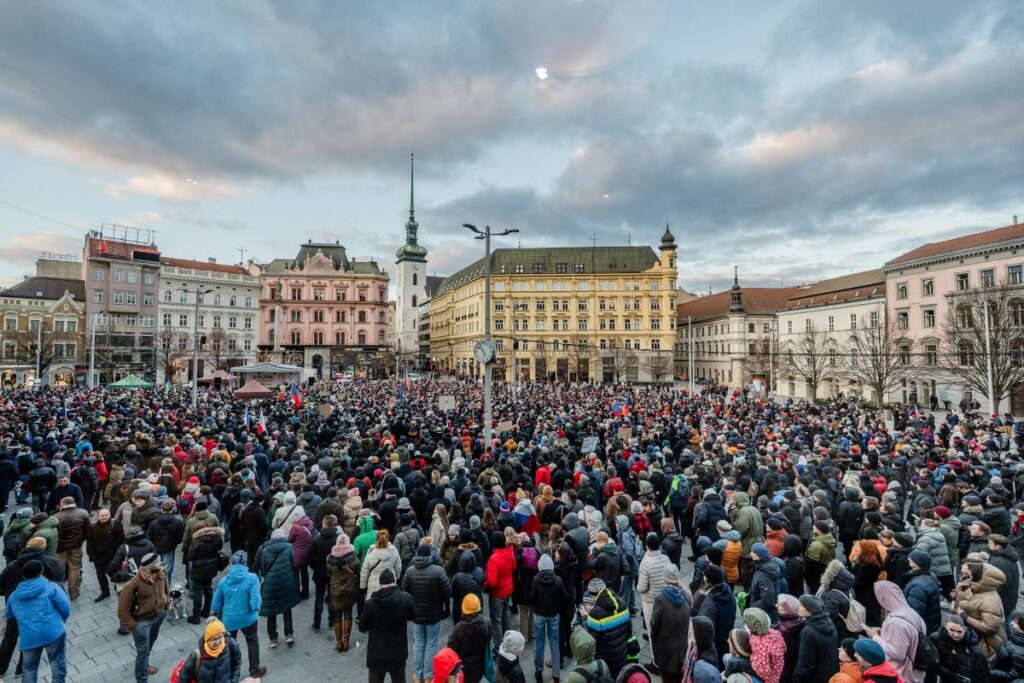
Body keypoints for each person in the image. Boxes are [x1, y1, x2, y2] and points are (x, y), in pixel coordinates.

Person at [0, 536, 64, 679]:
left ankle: (1, 667)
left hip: (16, 609)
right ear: (43, 548)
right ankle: (21, 669)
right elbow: (59, 579)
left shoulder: (13, 565)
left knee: (10, 637)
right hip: (38, 610)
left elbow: (1, 587)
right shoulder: (49, 563)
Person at [211, 550, 267, 679]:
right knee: (252, 642)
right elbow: (255, 602)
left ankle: (230, 672)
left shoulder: (224, 581)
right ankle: (254, 670)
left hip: (229, 620)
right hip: (248, 619)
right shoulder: (252, 578)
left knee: (229, 646)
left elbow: (216, 604)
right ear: (245, 563)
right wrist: (255, 609)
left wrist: (219, 615)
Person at [403, 543, 453, 683]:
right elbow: (448, 592)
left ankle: (417, 675)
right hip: (434, 614)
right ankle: (428, 676)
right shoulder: (438, 571)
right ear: (429, 555)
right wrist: (445, 606)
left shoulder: (410, 571)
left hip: (417, 614)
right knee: (432, 644)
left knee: (419, 643)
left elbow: (404, 591)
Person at [117, 552, 170, 683]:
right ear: (151, 566)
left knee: (151, 641)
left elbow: (166, 589)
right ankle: (141, 679)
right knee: (142, 652)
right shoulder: (133, 584)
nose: (161, 564)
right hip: (142, 622)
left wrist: (166, 606)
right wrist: (135, 626)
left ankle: (145, 665)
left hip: (158, 615)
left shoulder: (161, 573)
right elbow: (122, 611)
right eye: (158, 563)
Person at [358, 568, 415, 683]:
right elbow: (413, 616)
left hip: (377, 654)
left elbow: (362, 628)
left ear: (380, 584)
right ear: (394, 582)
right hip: (398, 652)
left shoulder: (370, 604)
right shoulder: (406, 599)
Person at [869, 580, 924, 683]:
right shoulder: (912, 613)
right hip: (917, 673)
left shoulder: (895, 622)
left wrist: (875, 637)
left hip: (902, 676)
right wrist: (885, 633)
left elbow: (896, 654)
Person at [952, 560, 1007, 659]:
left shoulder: (989, 601)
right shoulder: (982, 590)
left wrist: (965, 617)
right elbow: (976, 604)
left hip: (986, 644)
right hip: (978, 638)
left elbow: (990, 628)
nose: (969, 576)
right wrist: (962, 604)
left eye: (971, 574)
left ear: (981, 578)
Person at [257, 527, 299, 648]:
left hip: (271, 584)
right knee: (287, 609)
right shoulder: (289, 547)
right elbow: (293, 562)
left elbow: (263, 568)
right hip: (286, 582)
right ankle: (289, 634)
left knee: (271, 612)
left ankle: (273, 638)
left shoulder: (265, 550)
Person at [530, 554, 568, 683]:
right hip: (554, 615)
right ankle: (556, 674)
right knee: (555, 644)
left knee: (539, 643)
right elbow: (564, 597)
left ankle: (538, 671)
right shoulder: (558, 580)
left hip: (539, 615)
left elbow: (531, 597)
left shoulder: (536, 579)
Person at [650, 565, 691, 683]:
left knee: (667, 678)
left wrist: (653, 639)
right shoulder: (686, 596)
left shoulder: (660, 598)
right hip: (683, 649)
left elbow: (654, 624)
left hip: (665, 651)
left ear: (665, 578)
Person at [585, 579, 632, 677]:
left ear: (592, 595)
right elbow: (629, 633)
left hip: (605, 662)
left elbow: (591, 644)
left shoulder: (595, 614)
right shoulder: (624, 604)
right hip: (623, 656)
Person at [929, 613, 990, 683]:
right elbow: (930, 661)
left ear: (965, 629)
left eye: (959, 632)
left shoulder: (974, 649)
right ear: (945, 626)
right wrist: (948, 674)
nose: (956, 634)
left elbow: (982, 675)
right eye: (952, 630)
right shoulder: (935, 639)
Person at [179, 618, 243, 682]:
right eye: (214, 639)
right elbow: (183, 679)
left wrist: (233, 681)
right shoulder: (196, 656)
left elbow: (236, 666)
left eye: (220, 637)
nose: (217, 642)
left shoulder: (232, 646)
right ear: (207, 640)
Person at [326, 532, 361, 652]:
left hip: (336, 591)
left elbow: (328, 574)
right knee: (348, 614)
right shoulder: (353, 558)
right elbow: (358, 571)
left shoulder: (330, 560)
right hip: (350, 590)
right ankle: (346, 643)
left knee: (336, 616)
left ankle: (338, 643)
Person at [792, 595, 838, 683]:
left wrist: (797, 679)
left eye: (801, 606)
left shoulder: (808, 631)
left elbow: (805, 662)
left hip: (814, 677)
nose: (798, 608)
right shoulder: (829, 622)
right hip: (829, 673)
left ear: (810, 610)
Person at [187, 521, 225, 624]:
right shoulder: (217, 537)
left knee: (197, 590)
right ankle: (206, 611)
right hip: (212, 567)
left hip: (199, 569)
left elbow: (190, 556)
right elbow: (219, 548)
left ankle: (196, 616)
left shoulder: (197, 541)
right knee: (208, 588)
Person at [53, 496, 90, 600]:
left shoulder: (55, 517)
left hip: (60, 549)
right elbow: (88, 530)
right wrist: (81, 540)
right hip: (76, 546)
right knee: (75, 568)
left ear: (62, 504)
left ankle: (59, 594)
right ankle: (74, 594)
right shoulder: (83, 513)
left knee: (59, 570)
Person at [485, 530, 516, 652]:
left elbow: (492, 582)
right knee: (506, 616)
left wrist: (485, 585)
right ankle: (509, 641)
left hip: (498, 593)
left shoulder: (494, 558)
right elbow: (514, 567)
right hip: (508, 588)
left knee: (496, 620)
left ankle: (498, 647)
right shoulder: (511, 552)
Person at [448, 594, 489, 683]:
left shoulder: (459, 628)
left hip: (463, 668)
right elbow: (489, 638)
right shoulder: (486, 622)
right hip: (479, 666)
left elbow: (451, 649)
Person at [637, 532, 671, 634]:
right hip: (665, 597)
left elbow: (642, 587)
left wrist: (638, 587)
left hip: (650, 601)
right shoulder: (666, 558)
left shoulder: (645, 563)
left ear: (647, 546)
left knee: (652, 629)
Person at [903, 550, 942, 637]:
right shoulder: (931, 576)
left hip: (922, 629)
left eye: (911, 559)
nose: (908, 559)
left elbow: (915, 613)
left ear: (917, 563)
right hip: (932, 624)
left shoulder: (918, 586)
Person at [361, 530, 403, 600]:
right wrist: (397, 577)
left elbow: (364, 570)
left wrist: (363, 586)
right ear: (388, 538)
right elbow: (398, 566)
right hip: (390, 583)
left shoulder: (371, 551)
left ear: (377, 538)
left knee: (374, 603)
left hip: (373, 585)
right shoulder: (393, 550)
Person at [682, 616, 721, 683]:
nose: (687, 634)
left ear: (696, 639)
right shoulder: (707, 647)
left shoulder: (702, 671)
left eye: (690, 631)